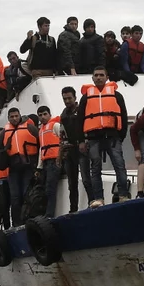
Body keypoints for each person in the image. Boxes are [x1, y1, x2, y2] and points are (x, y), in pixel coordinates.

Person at [77, 66, 130, 207]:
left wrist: (121, 135)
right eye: (96, 75)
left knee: (119, 166)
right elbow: (80, 119)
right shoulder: (86, 97)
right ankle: (98, 199)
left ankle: (123, 195)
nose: (99, 77)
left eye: (101, 75)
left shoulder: (117, 95)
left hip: (113, 137)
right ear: (92, 78)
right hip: (94, 138)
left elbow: (123, 116)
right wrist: (81, 140)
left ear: (107, 77)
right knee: (95, 169)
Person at [2, 107, 39, 224]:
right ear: (8, 118)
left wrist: (38, 166)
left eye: (16, 116)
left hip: (28, 167)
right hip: (13, 169)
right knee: (15, 197)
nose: (14, 119)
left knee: (26, 194)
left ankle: (28, 219)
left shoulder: (30, 128)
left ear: (20, 116)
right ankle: (16, 223)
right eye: (12, 117)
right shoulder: (4, 132)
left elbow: (40, 143)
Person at [58, 85, 89, 213]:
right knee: (72, 183)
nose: (67, 101)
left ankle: (92, 201)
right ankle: (73, 209)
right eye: (64, 99)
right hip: (70, 150)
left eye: (69, 98)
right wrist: (62, 152)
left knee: (86, 179)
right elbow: (62, 134)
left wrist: (85, 142)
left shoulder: (82, 110)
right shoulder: (63, 115)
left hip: (82, 148)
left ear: (75, 97)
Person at [36, 106, 65, 217]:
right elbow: (41, 149)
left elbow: (62, 141)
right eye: (40, 115)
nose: (42, 117)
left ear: (49, 114)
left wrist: (60, 158)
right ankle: (45, 213)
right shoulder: (41, 130)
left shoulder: (55, 126)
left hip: (55, 161)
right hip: (46, 163)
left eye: (44, 114)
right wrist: (39, 166)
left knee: (50, 189)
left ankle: (50, 214)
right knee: (45, 189)